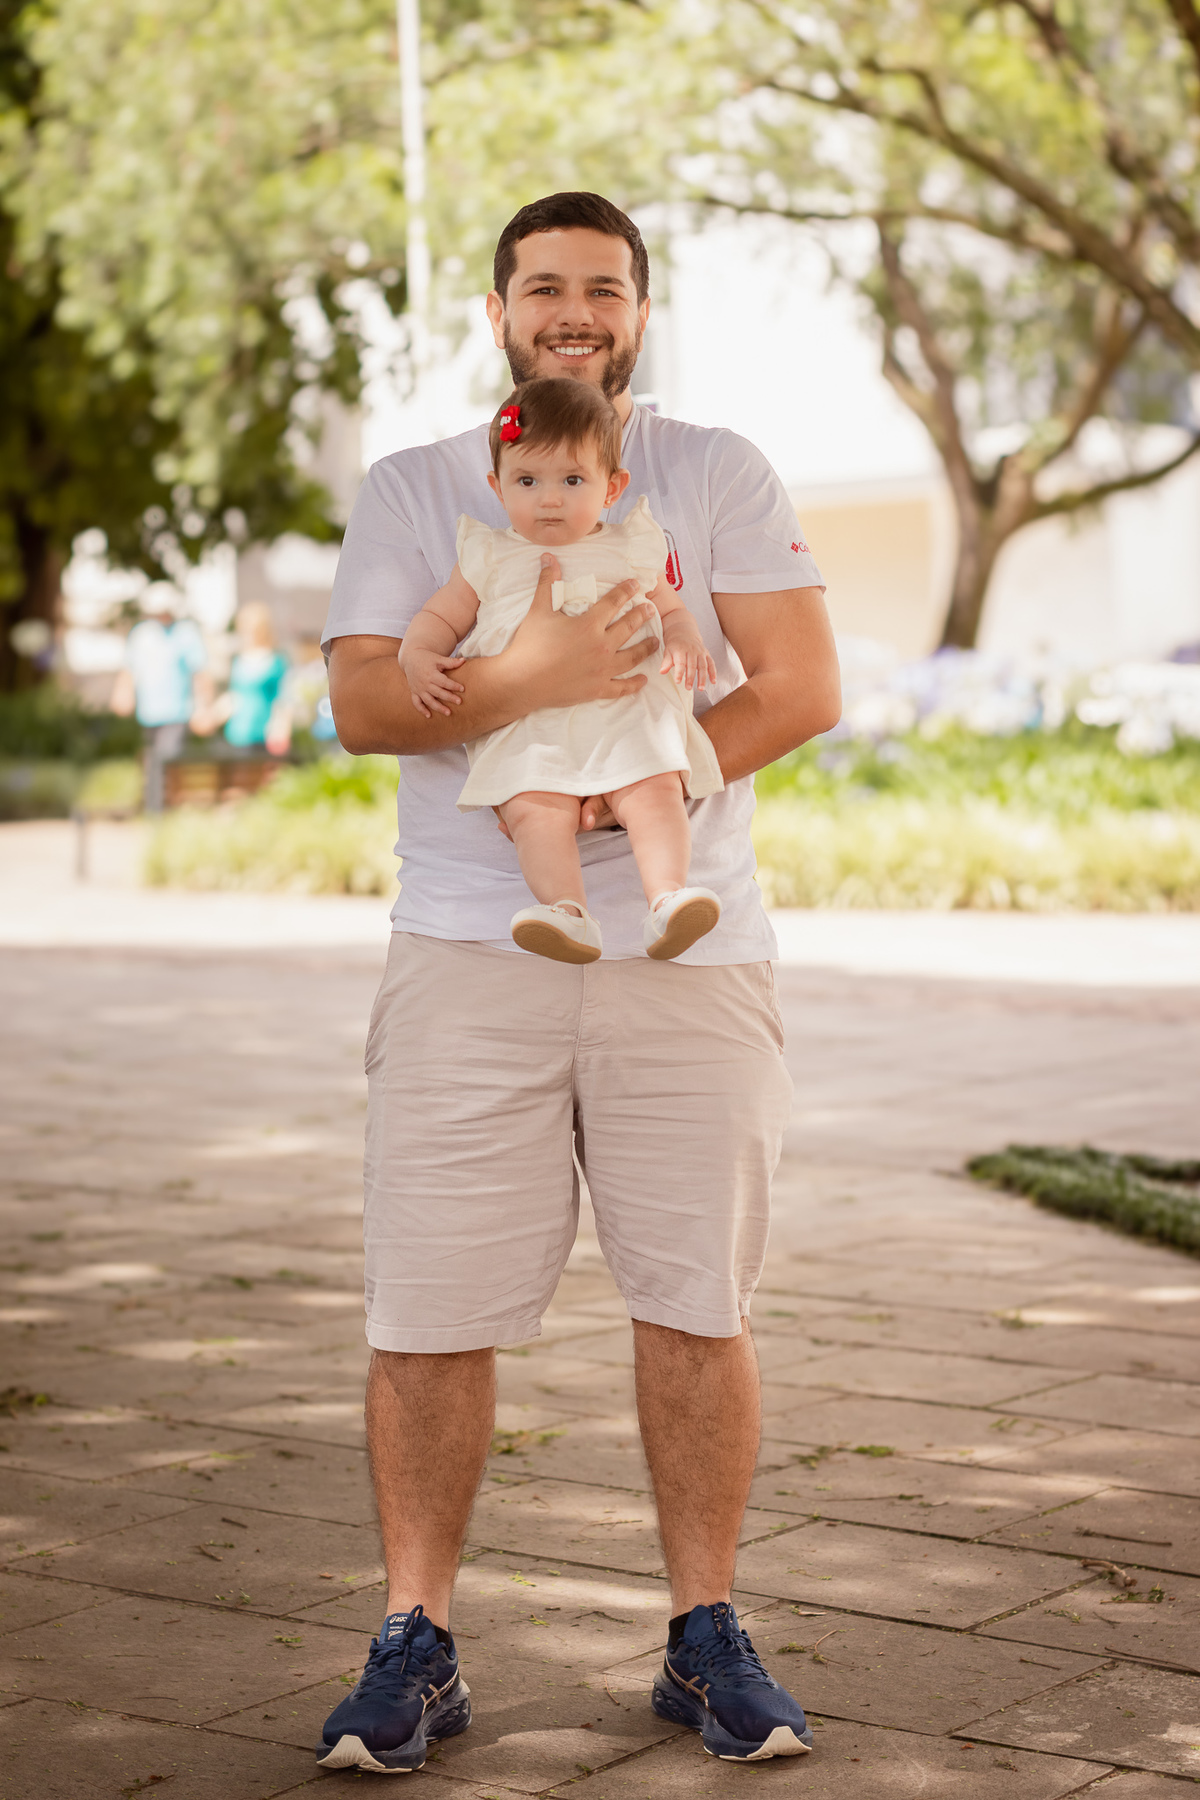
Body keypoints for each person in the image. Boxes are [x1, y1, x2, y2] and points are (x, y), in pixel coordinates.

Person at [317, 191, 840, 1774]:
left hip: (693, 952)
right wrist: (535, 682)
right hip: (470, 946)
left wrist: (633, 792)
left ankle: (705, 1635)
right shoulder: (418, 490)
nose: (574, 313)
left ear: (638, 312)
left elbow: (802, 685)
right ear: (497, 313)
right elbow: (363, 704)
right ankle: (415, 1640)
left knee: (696, 1300)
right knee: (427, 1308)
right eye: (543, 287)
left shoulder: (713, 469)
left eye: (604, 288)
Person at [400, 377, 724, 964]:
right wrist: (417, 655)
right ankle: (566, 912)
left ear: (612, 487)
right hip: (533, 725)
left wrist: (683, 637)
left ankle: (668, 898)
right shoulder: (488, 554)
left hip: (627, 714)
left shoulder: (630, 546)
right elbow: (437, 617)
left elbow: (674, 609)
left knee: (655, 792)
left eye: (572, 480)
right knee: (534, 810)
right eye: (528, 481)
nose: (549, 499)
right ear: (498, 487)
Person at [110, 582, 211, 813]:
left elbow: (200, 673)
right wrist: (122, 693)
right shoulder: (141, 634)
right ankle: (155, 805)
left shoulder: (186, 633)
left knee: (168, 757)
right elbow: (129, 669)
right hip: (149, 712)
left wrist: (204, 706)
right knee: (153, 759)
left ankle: (163, 808)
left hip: (177, 711)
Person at [206, 601, 288, 751]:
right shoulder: (238, 661)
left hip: (264, 735)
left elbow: (283, 700)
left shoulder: (276, 662)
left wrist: (280, 729)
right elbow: (234, 696)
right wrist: (213, 716)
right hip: (237, 734)